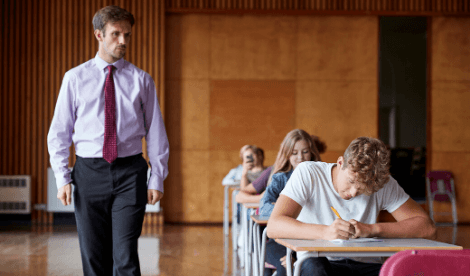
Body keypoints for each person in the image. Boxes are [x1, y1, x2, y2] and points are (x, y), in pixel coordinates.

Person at [47, 5, 169, 276]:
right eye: (116, 34)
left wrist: (157, 178)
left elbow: (157, 133)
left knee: (125, 256)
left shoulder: (142, 80)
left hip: (130, 173)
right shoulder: (75, 78)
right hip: (89, 172)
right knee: (94, 257)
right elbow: (59, 132)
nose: (123, 41)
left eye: (127, 34)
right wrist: (62, 177)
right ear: (98, 35)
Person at [267, 137, 436, 276]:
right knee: (315, 269)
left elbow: (427, 228)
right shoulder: (309, 173)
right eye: (351, 181)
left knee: (402, 271)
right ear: (341, 163)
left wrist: (371, 229)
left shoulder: (384, 183)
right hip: (320, 261)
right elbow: (274, 226)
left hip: (366, 263)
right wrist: (325, 232)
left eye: (364, 189)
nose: (354, 193)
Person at [259, 129, 323, 276]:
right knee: (286, 265)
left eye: (305, 152)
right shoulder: (280, 178)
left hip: (310, 239)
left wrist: (290, 213)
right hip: (281, 240)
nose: (300, 157)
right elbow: (264, 207)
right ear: (287, 154)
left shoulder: (321, 177)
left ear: (312, 152)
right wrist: (285, 211)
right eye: (294, 153)